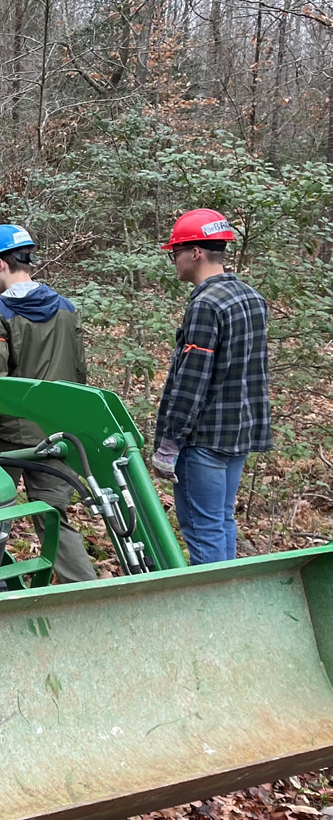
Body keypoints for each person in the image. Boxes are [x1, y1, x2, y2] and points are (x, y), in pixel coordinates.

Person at [0, 223, 99, 584]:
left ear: (0, 265)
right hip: (58, 431)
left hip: (10, 436)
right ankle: (87, 593)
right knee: (53, 517)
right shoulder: (66, 309)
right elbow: (79, 373)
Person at [152, 209, 271, 565]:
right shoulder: (250, 298)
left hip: (203, 441)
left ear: (195, 253)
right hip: (238, 437)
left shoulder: (205, 305)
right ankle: (230, 599)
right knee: (221, 521)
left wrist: (169, 443)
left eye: (175, 253)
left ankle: (210, 614)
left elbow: (191, 382)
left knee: (203, 531)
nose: (174, 261)